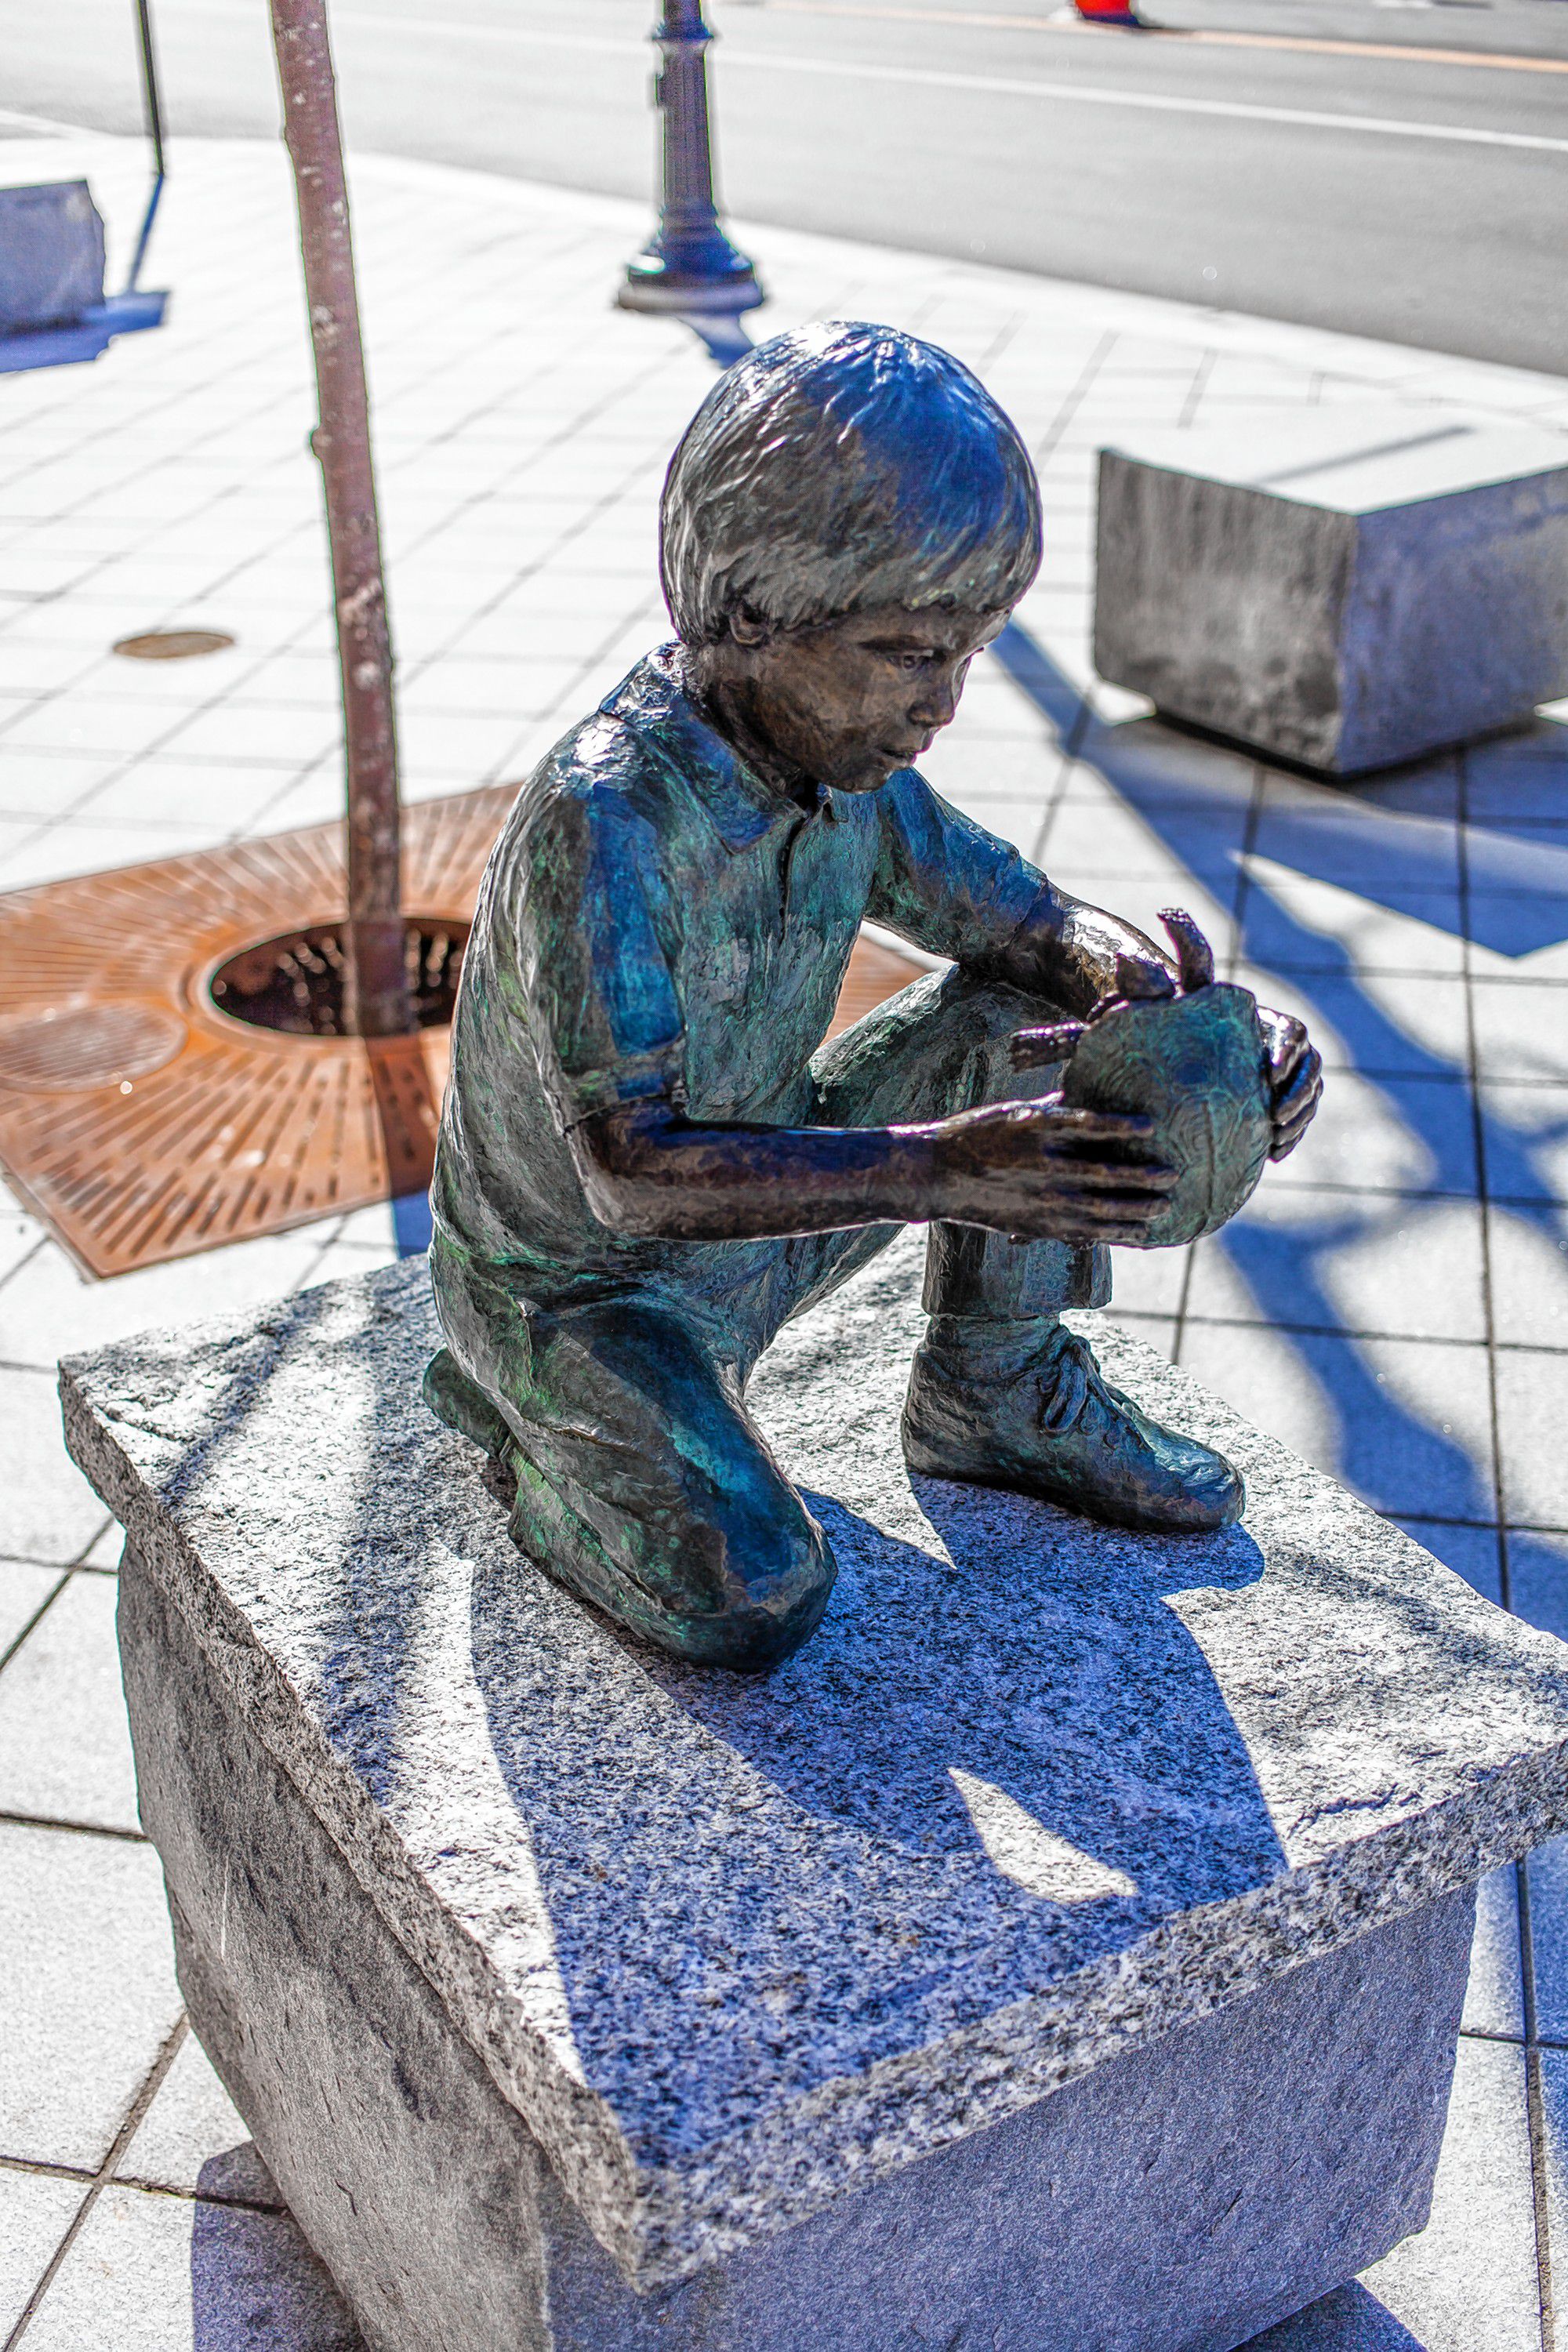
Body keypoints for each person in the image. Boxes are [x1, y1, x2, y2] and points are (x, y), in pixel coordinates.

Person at [426, 321, 1320, 1670]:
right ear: (746, 619)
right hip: (583, 1290)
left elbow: (1030, 924)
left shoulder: (846, 770)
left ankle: (992, 1388)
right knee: (755, 1595)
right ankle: (531, 1432)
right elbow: (629, 1170)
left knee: (1008, 1015)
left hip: (755, 1237)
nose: (944, 701)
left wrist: (1186, 1022)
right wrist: (944, 1168)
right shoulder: (605, 820)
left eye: (969, 650)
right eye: (906, 652)